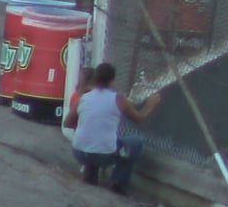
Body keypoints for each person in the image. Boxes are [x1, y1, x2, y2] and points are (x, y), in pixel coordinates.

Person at [64, 63, 161, 194]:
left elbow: (67, 123)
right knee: (136, 142)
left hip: (79, 152)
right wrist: (151, 104)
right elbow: (139, 119)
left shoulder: (83, 98)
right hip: (104, 155)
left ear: (95, 79)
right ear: (112, 80)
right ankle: (117, 183)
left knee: (100, 141)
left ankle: (91, 174)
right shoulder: (118, 99)